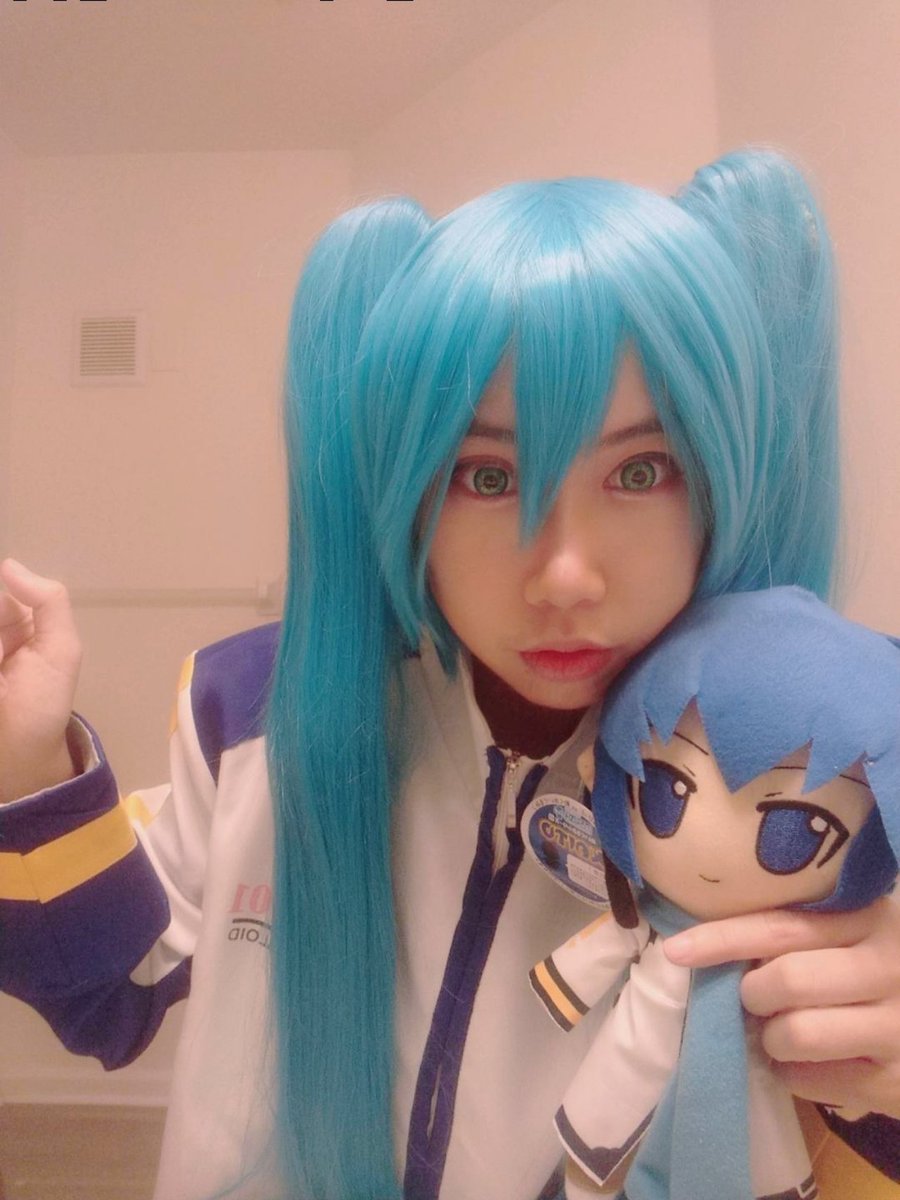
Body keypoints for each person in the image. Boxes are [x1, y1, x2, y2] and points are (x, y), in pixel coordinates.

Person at [0, 150, 898, 1200]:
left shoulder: (820, 783)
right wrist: (26, 762)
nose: (564, 575)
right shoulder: (253, 715)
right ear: (407, 487)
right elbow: (106, 996)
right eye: (487, 475)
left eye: (640, 470)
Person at [531, 587, 900, 1198]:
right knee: (597, 1158)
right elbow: (605, 947)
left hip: (762, 1109)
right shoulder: (644, 917)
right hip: (626, 1077)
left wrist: (865, 1087)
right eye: (665, 791)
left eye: (795, 832)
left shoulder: (824, 961)